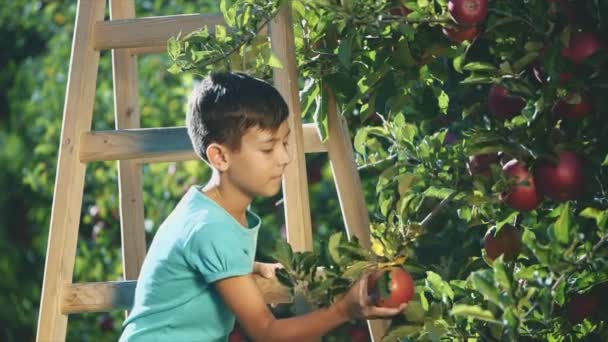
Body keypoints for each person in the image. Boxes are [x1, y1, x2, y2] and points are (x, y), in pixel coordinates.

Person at [119, 72, 406, 342]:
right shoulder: (210, 227)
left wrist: (245, 266)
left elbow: (192, 264)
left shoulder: (207, 208)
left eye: (285, 142)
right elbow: (268, 333)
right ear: (220, 157)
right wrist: (344, 310)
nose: (284, 157)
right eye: (268, 148)